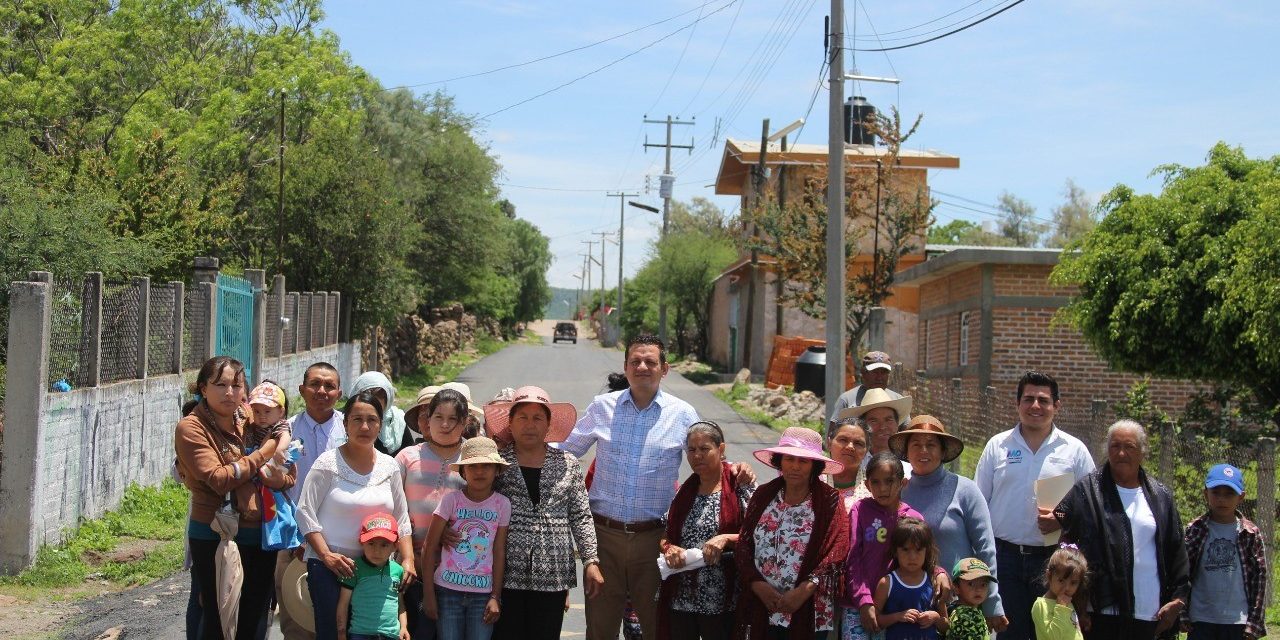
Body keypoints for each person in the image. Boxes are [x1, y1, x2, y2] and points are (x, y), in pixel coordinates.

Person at [559, 334, 753, 640]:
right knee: (600, 628)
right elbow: (567, 451)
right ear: (625, 367)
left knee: (658, 628)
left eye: (651, 361)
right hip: (603, 540)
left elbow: (706, 457)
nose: (642, 367)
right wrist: (520, 446)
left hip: (655, 540)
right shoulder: (602, 407)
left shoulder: (683, 414)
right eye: (635, 361)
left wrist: (737, 469)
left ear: (665, 369)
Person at [175, 356, 295, 640]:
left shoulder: (251, 416)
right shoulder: (192, 428)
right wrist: (264, 453)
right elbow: (219, 479)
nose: (229, 392)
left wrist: (282, 478)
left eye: (236, 385)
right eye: (220, 385)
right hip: (215, 532)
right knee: (218, 615)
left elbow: (288, 463)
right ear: (203, 389)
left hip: (259, 531)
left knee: (255, 613)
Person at [974, 371, 1095, 640]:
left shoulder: (1074, 450)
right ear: (1017, 404)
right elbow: (979, 504)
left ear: (1056, 406)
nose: (1035, 406)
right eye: (1028, 399)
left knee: (1052, 634)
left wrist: (1063, 519)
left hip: (1055, 563)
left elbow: (1091, 507)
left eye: (1043, 400)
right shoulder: (998, 446)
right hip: (1005, 558)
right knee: (1009, 633)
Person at [1050, 420, 1190, 640]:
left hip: (1149, 612)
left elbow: (1177, 552)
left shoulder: (1161, 497)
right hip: (1098, 612)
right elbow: (1069, 550)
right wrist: (1077, 602)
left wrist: (1178, 600)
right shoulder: (1087, 491)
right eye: (1115, 446)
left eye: (1129, 446)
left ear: (1143, 452)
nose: (1122, 453)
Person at [297, 391, 417, 640]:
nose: (365, 426)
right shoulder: (327, 464)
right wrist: (327, 556)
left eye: (372, 420)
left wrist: (407, 560)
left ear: (380, 425)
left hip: (377, 568)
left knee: (376, 634)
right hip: (331, 568)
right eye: (357, 419)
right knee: (333, 633)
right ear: (345, 424)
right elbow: (305, 512)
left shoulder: (390, 466)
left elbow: (401, 517)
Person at [485, 385, 601, 640]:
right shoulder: (497, 464)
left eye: (538, 418)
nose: (530, 424)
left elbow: (581, 515)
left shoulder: (567, 464)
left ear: (548, 425)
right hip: (506, 573)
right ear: (511, 423)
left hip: (553, 573)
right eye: (522, 417)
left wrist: (591, 560)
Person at [736, 427, 850, 640]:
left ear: (814, 466)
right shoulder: (763, 495)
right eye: (789, 459)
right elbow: (744, 544)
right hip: (763, 604)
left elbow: (838, 550)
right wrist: (757, 583)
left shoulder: (830, 501)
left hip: (809, 607)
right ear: (780, 460)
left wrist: (804, 590)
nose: (795, 467)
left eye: (803, 461)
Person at [894, 416, 1005, 631]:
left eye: (931, 444)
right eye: (916, 444)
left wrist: (992, 602)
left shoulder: (965, 490)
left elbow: (986, 549)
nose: (923, 450)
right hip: (911, 607)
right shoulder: (899, 491)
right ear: (907, 452)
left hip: (960, 605)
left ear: (943, 451)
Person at [657, 421, 756, 640]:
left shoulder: (740, 486)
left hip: (723, 599)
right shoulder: (685, 491)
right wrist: (669, 548)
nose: (697, 456)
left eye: (705, 449)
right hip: (683, 596)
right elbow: (666, 534)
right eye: (692, 450)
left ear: (721, 450)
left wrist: (726, 539)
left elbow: (759, 534)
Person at [277, 362, 347, 639]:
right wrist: (297, 535)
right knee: (296, 617)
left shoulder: (351, 429)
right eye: (315, 384)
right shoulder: (285, 432)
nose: (321, 391)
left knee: (339, 622)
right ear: (301, 390)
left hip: (341, 541)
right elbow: (275, 485)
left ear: (339, 392)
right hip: (293, 541)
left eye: (329, 386)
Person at [397, 387, 469, 640]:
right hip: (411, 569)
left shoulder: (475, 457)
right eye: (438, 417)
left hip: (461, 573)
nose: (445, 425)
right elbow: (396, 509)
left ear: (465, 422)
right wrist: (406, 556)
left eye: (453, 419)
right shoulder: (407, 457)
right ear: (428, 419)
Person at [421, 437, 510, 640]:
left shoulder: (502, 504)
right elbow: (429, 545)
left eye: (486, 466)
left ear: (497, 470)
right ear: (463, 472)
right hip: (447, 592)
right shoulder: (450, 500)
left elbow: (499, 551)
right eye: (472, 466)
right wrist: (429, 594)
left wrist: (495, 596)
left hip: (483, 595)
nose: (479, 471)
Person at [1182, 464, 1269, 640]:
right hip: (1201, 619)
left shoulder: (1251, 533)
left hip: (1238, 621)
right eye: (1216, 492)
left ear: (1241, 497)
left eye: (1229, 493)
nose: (1222, 499)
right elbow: (1182, 574)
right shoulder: (1195, 529)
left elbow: (1259, 580)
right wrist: (1182, 612)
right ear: (1206, 494)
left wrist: (1254, 622)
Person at [844, 452, 923, 640]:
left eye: (889, 481)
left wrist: (939, 572)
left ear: (903, 483)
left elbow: (923, 558)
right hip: (857, 605)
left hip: (895, 608)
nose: (882, 488)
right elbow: (852, 557)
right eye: (876, 482)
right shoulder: (860, 510)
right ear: (867, 485)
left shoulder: (913, 519)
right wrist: (863, 601)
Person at [337, 513, 412, 640]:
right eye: (371, 543)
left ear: (395, 546)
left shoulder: (398, 570)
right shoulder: (354, 568)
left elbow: (400, 603)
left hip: (391, 635)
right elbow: (343, 604)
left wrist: (403, 627)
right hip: (360, 634)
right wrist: (341, 633)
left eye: (384, 545)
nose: (377, 551)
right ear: (361, 542)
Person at [874, 518, 945, 640]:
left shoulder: (934, 581)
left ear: (926, 551)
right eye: (905, 549)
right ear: (895, 551)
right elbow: (875, 620)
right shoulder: (887, 583)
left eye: (918, 550)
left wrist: (936, 618)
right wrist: (898, 616)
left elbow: (946, 626)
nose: (912, 557)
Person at [835, 389, 912, 476]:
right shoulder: (851, 465)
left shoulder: (909, 471)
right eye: (874, 421)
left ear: (897, 424)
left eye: (888, 420)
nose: (883, 427)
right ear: (863, 427)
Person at [827, 351, 904, 434]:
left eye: (884, 372)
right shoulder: (847, 399)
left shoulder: (897, 400)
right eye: (874, 372)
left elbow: (907, 433)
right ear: (863, 373)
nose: (879, 377)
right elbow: (833, 434)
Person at [1031, 546, 1087, 640]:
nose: (1067, 588)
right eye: (1061, 580)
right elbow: (1054, 636)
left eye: (1073, 583)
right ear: (1049, 576)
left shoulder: (1068, 602)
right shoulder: (1041, 605)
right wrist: (1061, 608)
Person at [350, 371, 409, 456]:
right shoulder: (344, 418)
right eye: (368, 395)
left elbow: (409, 454)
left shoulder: (398, 420)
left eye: (381, 395)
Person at [247, 380, 295, 477]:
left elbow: (285, 435)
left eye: (267, 411)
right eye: (257, 411)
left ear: (281, 412)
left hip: (273, 464)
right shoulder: (253, 426)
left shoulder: (278, 424)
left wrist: (280, 449)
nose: (262, 416)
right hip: (256, 464)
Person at [826, 420, 872, 511]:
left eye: (858, 443)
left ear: (866, 451)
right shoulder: (812, 480)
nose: (850, 447)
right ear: (829, 444)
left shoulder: (874, 485)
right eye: (843, 440)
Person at [947, 558, 997, 640]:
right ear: (956, 587)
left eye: (983, 584)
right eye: (971, 583)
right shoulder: (965, 616)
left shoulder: (963, 609)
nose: (978, 589)